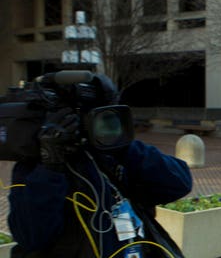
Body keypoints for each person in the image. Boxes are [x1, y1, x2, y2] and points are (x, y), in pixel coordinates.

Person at [8, 74, 193, 258]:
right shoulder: (33, 167)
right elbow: (31, 237)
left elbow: (178, 183)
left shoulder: (112, 155)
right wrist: (51, 164)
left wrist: (121, 143)